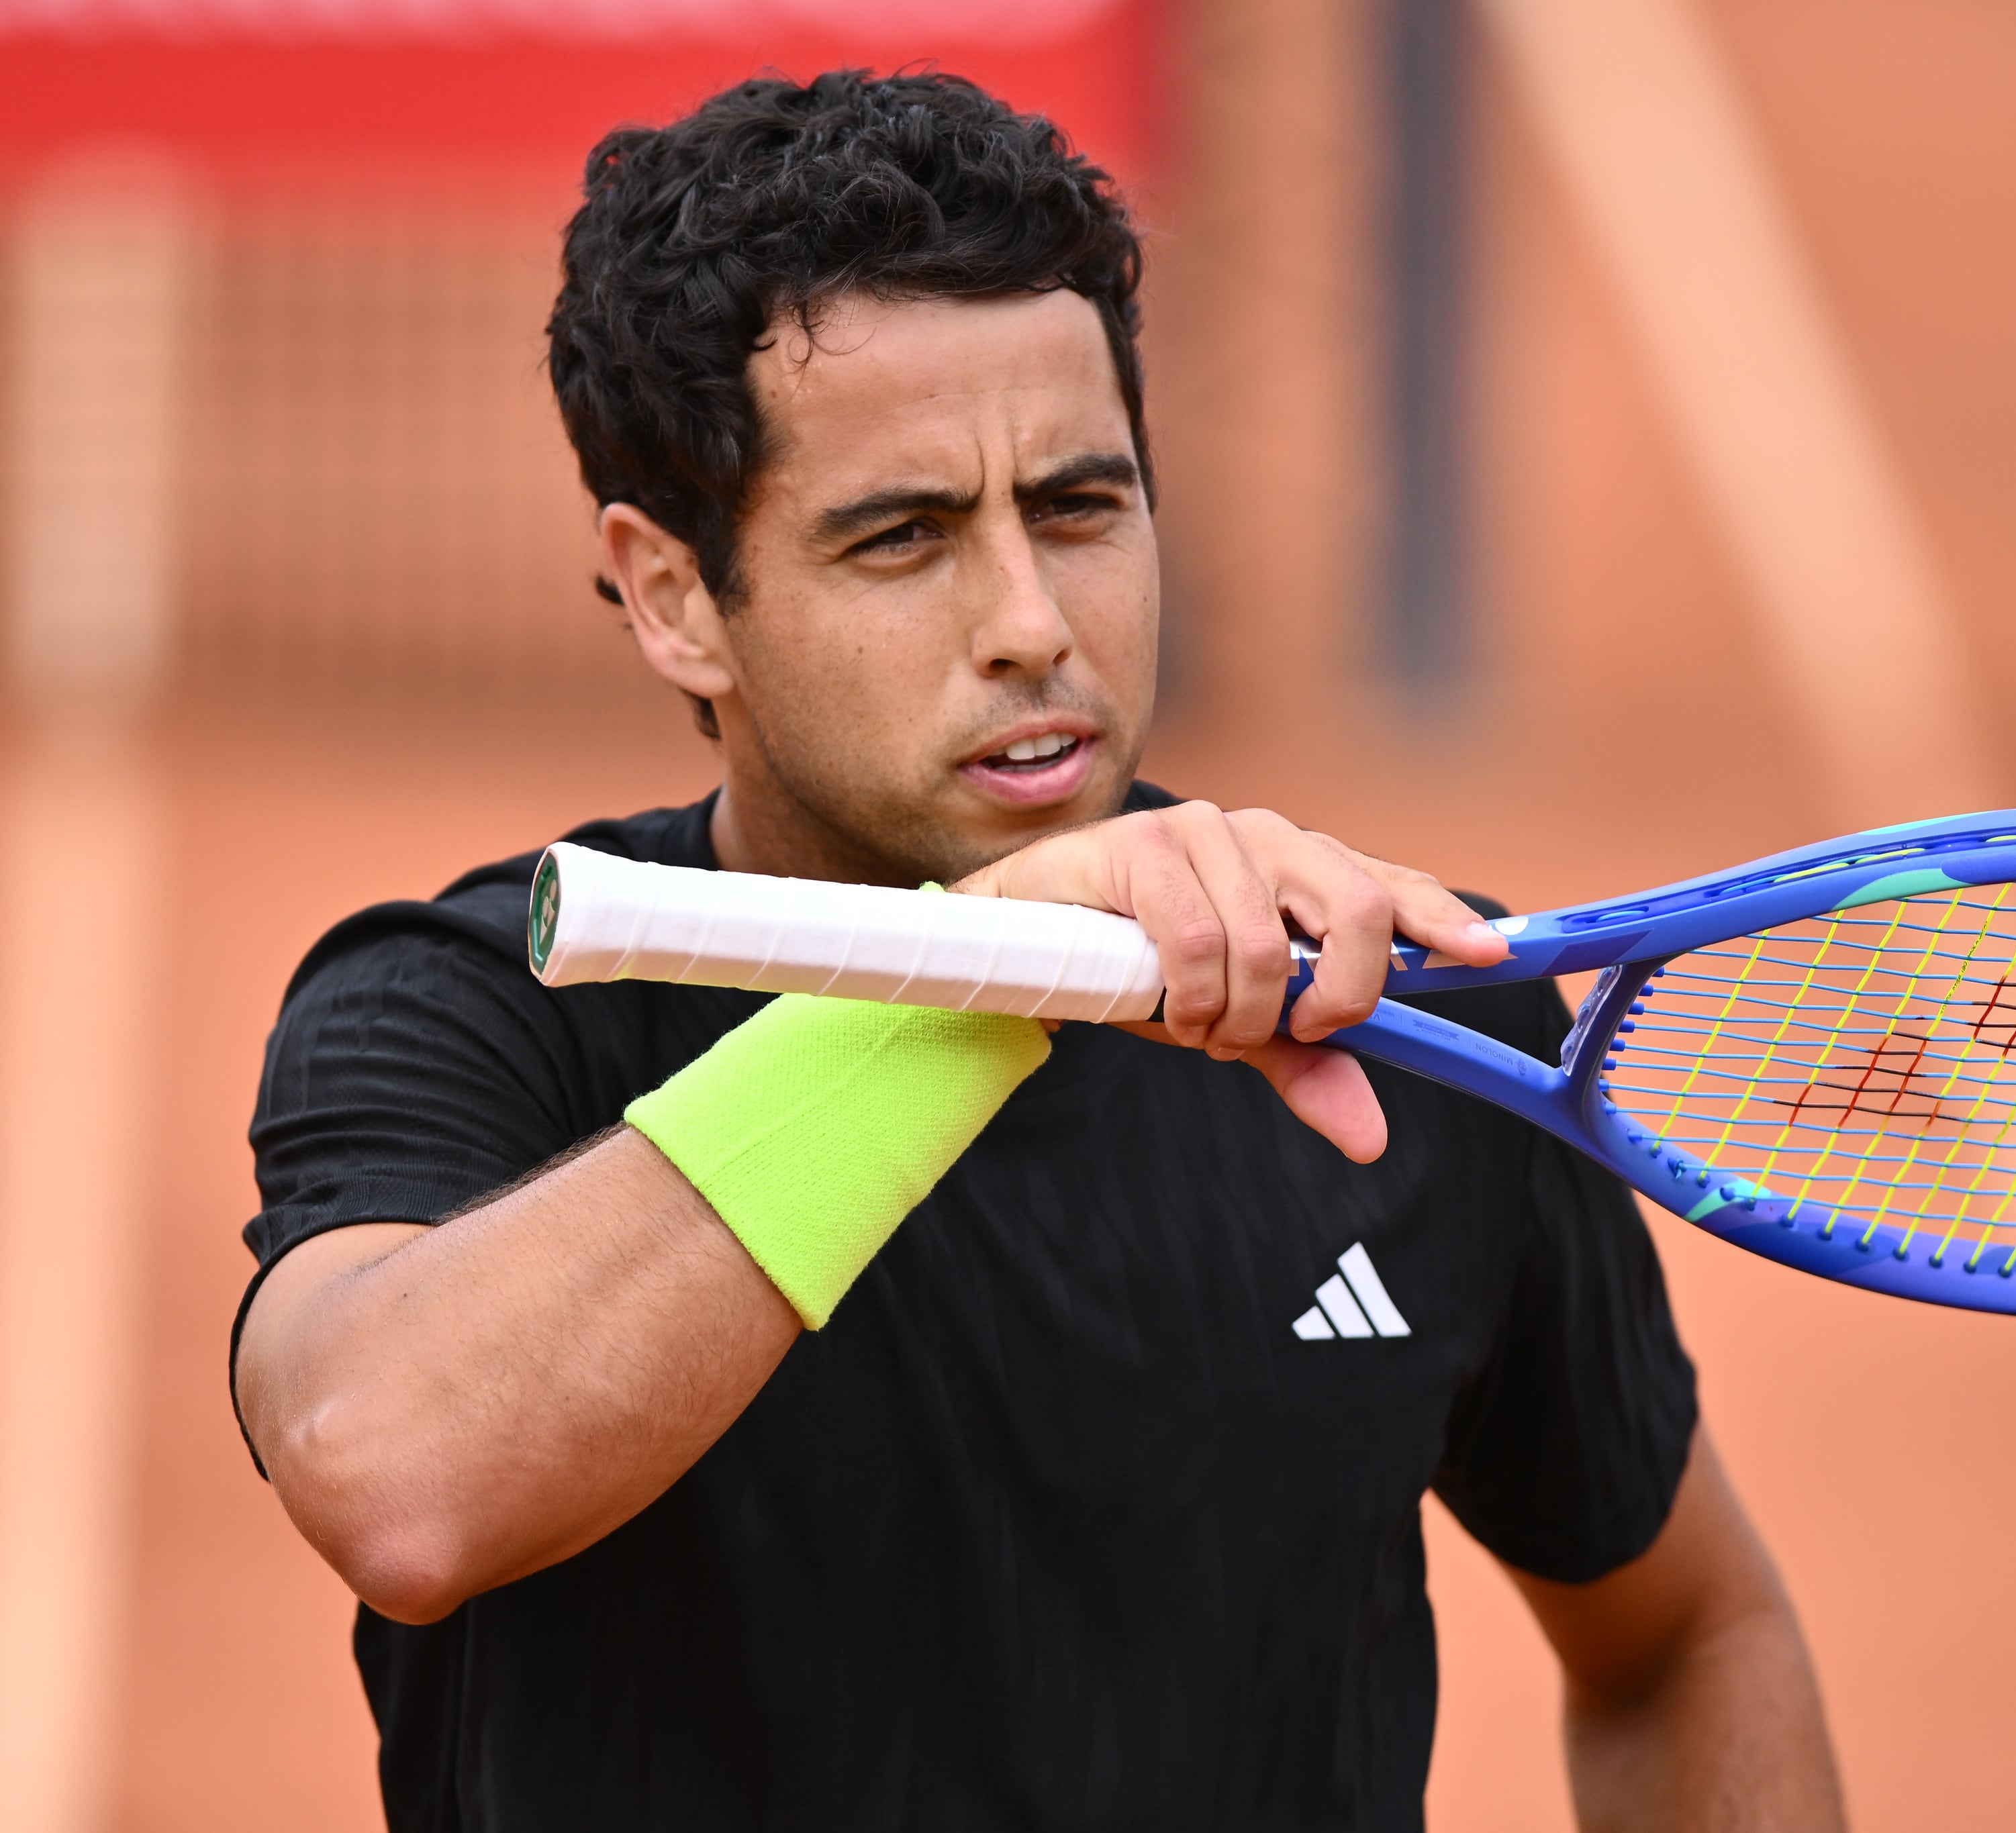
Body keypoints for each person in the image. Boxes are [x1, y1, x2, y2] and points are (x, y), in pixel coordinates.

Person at [232, 70, 1845, 1831]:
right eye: (903, 537)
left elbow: (1686, 1632)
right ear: (675, 591)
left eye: (1081, 506)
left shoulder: (1403, 1011)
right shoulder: (475, 1011)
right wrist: (979, 983)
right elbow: (394, 1477)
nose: (1031, 622)